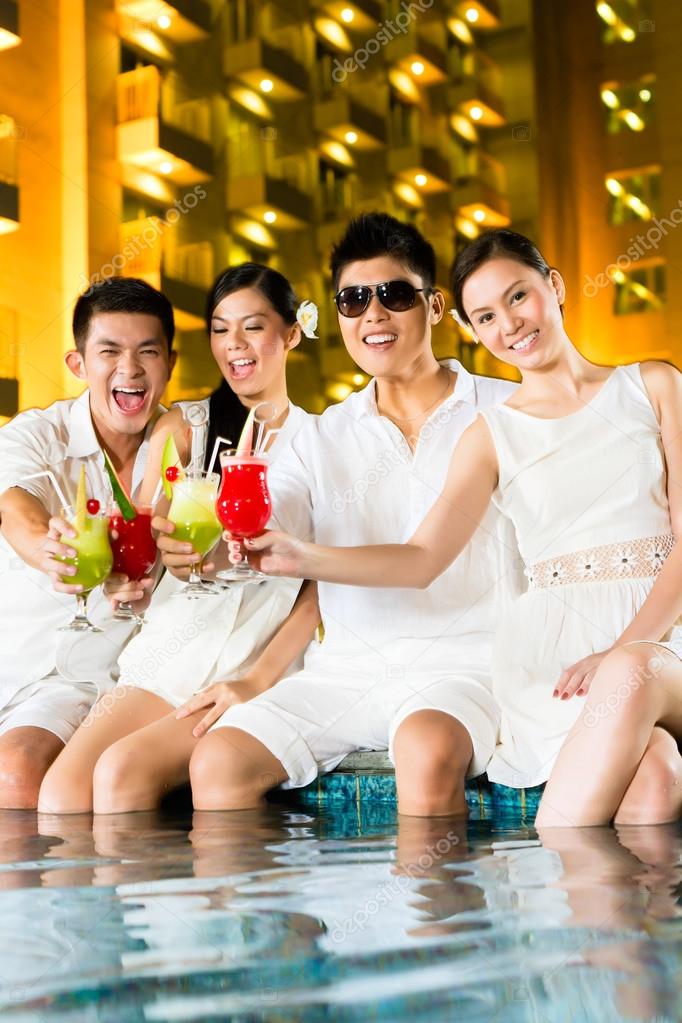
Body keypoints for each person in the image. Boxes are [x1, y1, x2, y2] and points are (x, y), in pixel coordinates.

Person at [243, 228, 682, 828]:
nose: (510, 324)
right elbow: (422, 557)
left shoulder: (652, 386)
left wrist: (623, 648)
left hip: (661, 637)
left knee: (629, 672)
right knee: (654, 780)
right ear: (472, 330)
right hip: (556, 662)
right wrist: (302, 556)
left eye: (518, 296)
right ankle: (574, 885)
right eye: (487, 316)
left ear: (554, 286)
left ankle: (550, 865)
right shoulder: (491, 433)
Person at [187, 212, 523, 817]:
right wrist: (205, 547)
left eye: (394, 295)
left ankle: (429, 886)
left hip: (468, 665)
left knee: (425, 748)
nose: (373, 314)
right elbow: (263, 522)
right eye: (353, 300)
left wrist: (299, 554)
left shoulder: (508, 410)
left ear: (435, 306)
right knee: (217, 762)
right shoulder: (321, 436)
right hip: (344, 673)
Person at [38, 263, 315, 816]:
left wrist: (256, 681)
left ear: (291, 333)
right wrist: (155, 558)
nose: (234, 344)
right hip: (173, 646)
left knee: (121, 774)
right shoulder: (187, 427)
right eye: (220, 328)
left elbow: (322, 590)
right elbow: (148, 528)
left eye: (253, 327)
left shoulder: (321, 441)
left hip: (258, 656)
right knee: (60, 796)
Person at [0, 277, 175, 808]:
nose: (130, 369)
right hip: (22, 663)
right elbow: (15, 508)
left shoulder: (183, 445)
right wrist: (51, 551)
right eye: (110, 352)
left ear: (170, 362)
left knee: (15, 773)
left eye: (148, 351)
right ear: (78, 364)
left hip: (104, 676)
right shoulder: (35, 435)